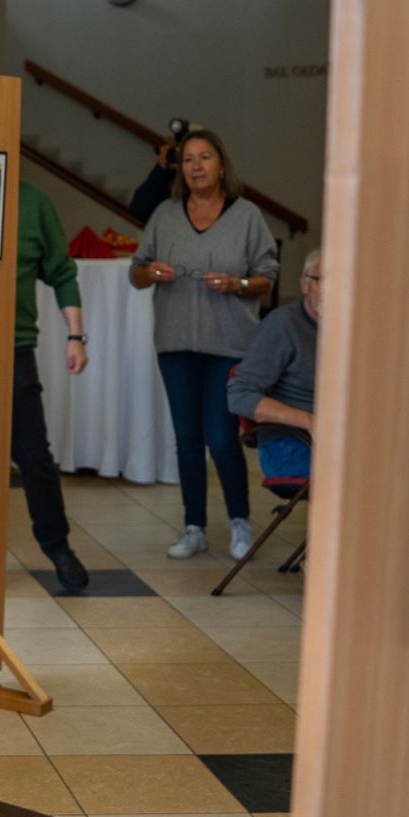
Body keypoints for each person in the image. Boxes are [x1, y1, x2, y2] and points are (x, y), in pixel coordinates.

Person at [130, 128, 279, 559]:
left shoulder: (247, 215)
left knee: (220, 435)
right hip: (175, 342)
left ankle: (240, 523)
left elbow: (267, 277)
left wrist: (239, 283)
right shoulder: (165, 214)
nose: (196, 166)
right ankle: (193, 526)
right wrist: (150, 273)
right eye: (189, 159)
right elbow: (136, 272)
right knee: (186, 437)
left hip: (229, 344)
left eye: (205, 158)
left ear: (221, 165)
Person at [12, 180, 90, 592]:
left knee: (34, 457)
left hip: (15, 350)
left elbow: (62, 272)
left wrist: (75, 336)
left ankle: (58, 548)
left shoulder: (34, 201)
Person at [227, 246, 322, 482]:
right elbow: (240, 396)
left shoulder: (354, 325)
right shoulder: (282, 326)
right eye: (324, 280)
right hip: (289, 443)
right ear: (305, 284)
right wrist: (310, 422)